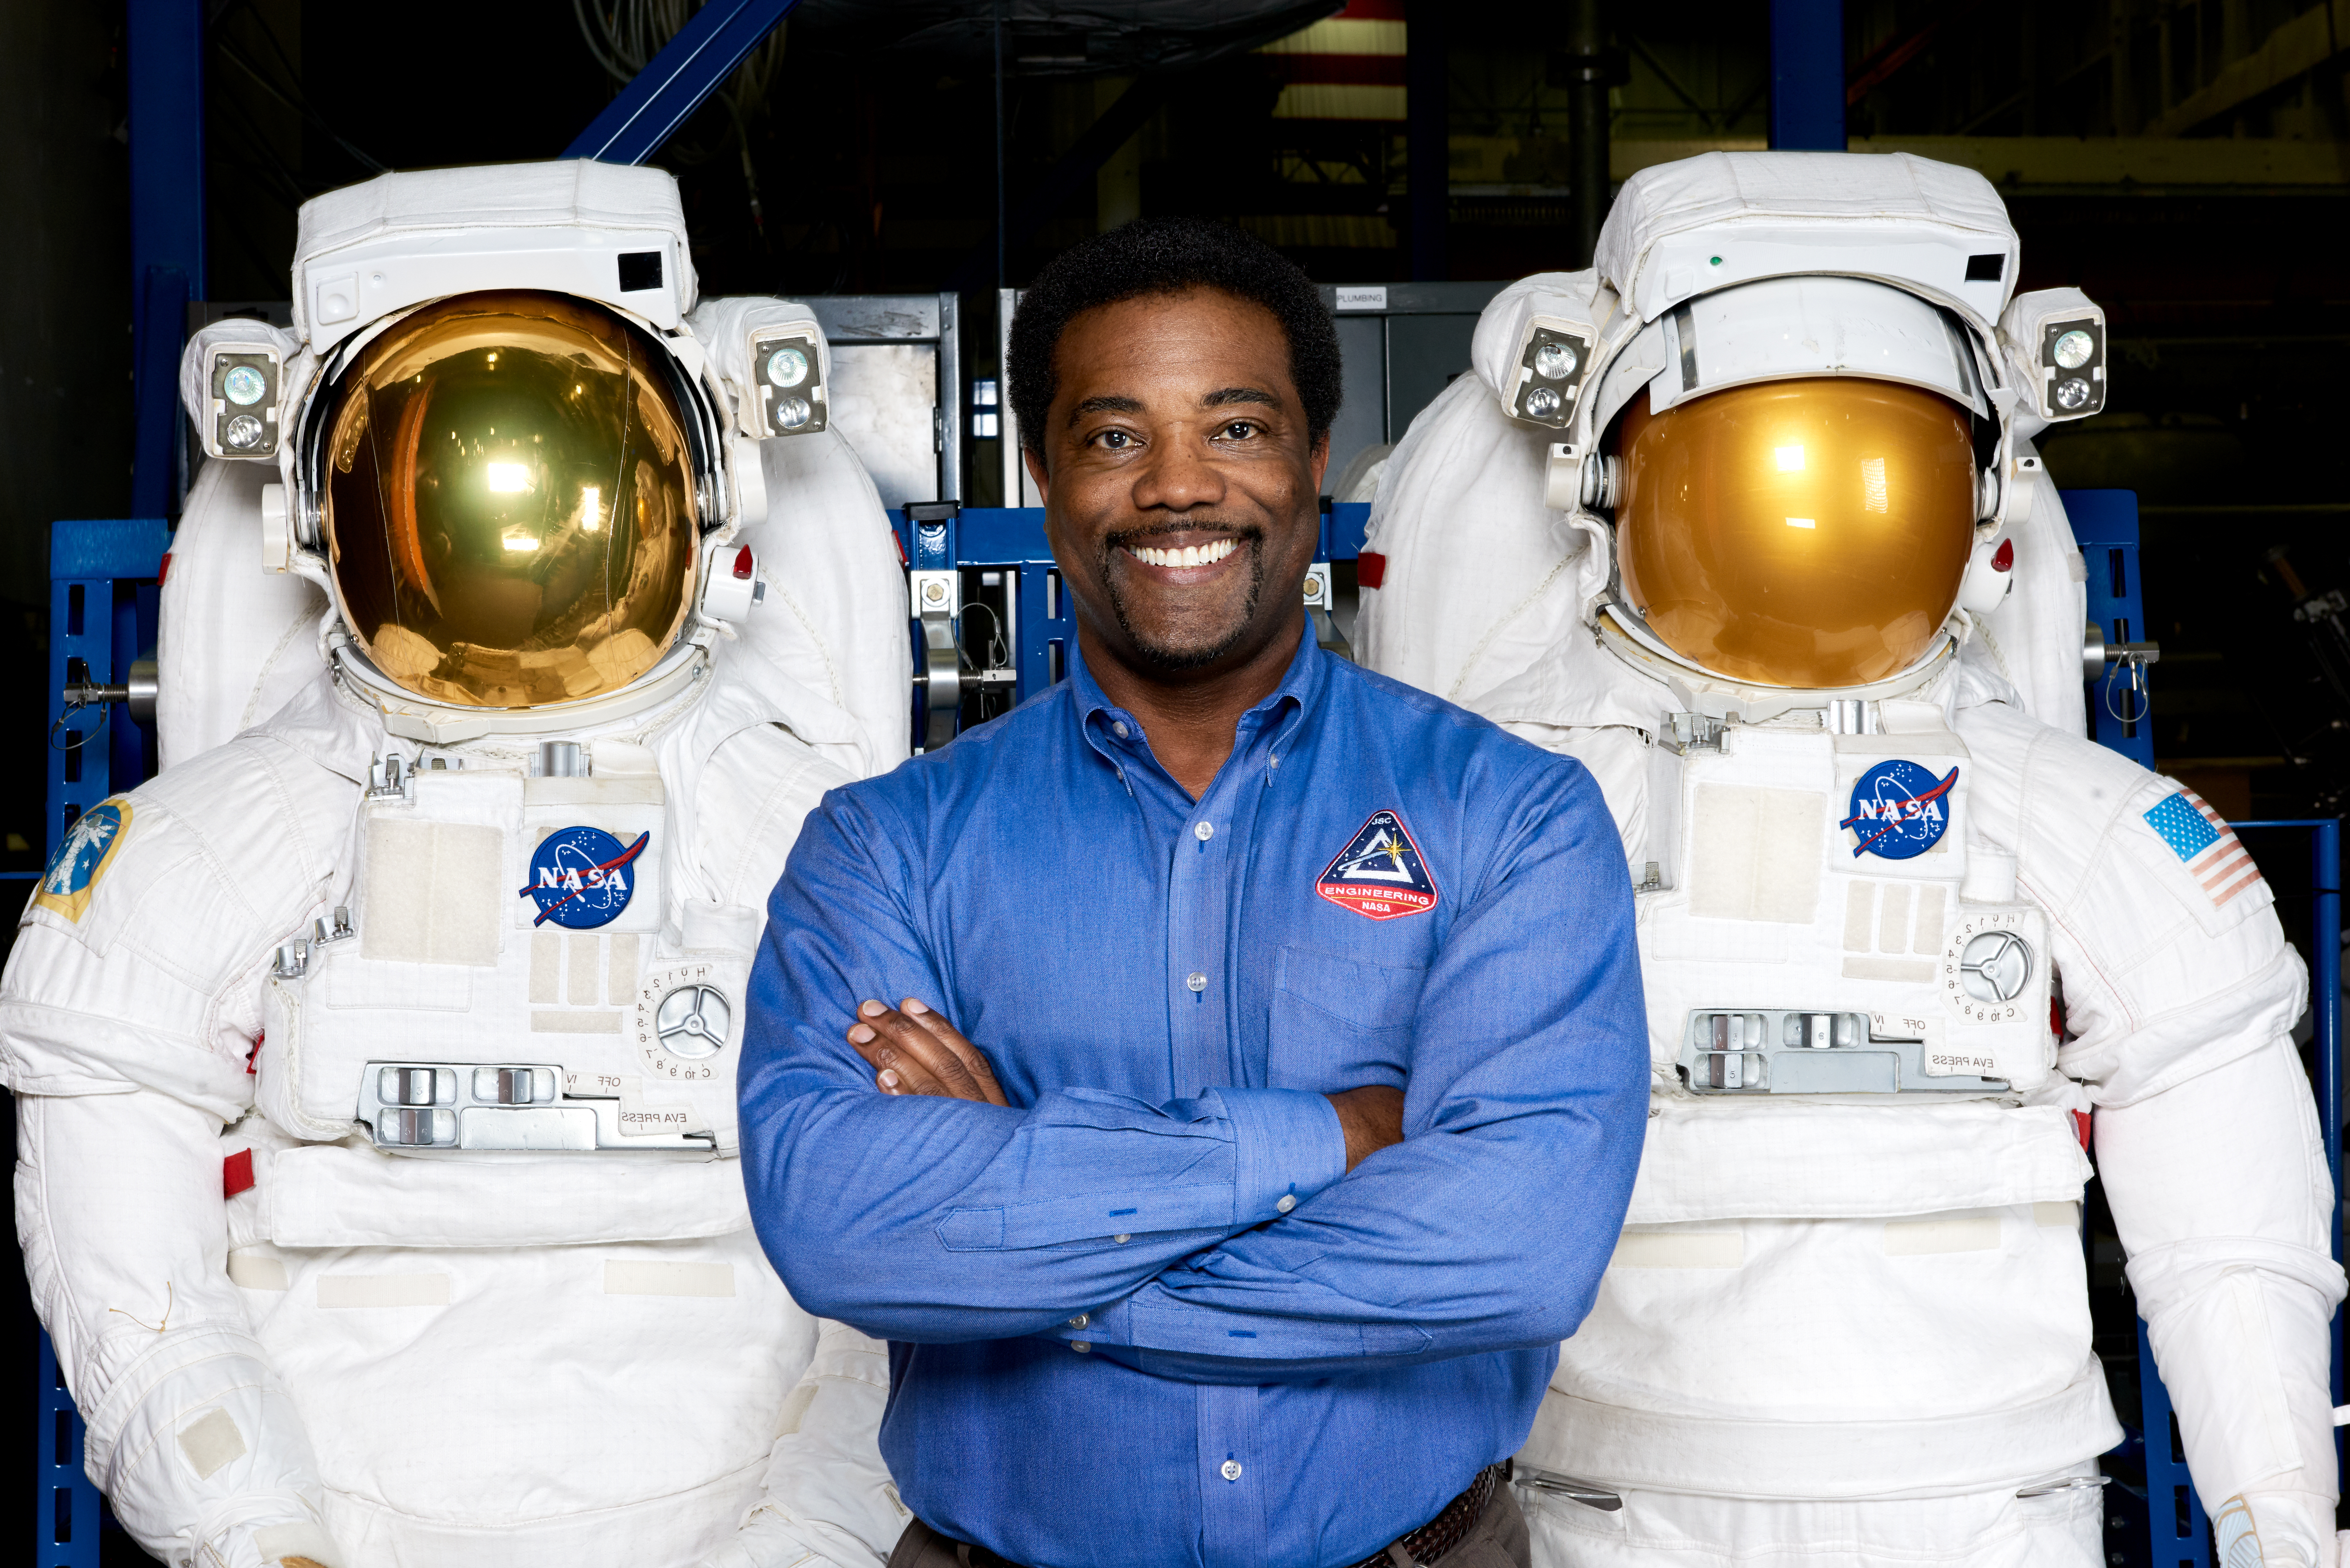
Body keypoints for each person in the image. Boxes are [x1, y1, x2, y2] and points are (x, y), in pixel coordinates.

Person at [1357, 150, 2347, 1567]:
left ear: (1981, 498)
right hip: (1619, 1493)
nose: (1816, 514)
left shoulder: (2061, 811)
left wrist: (2277, 1511)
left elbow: (2226, 1200)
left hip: (1973, 1497)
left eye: (1875, 457)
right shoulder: (1510, 799)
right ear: (1600, 483)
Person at [5, 160, 915, 1568]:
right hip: (336, 1511)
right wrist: (255, 1533)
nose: (515, 536)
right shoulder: (200, 856)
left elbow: (919, 1255)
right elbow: (134, 1281)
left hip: (741, 1496)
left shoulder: (832, 847)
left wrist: (805, 1539)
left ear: (700, 486)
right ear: (319, 511)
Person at [737, 217, 1652, 1568]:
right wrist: (1335, 1138)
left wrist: (1027, 1231)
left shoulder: (1508, 816)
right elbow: (842, 1226)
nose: (1177, 486)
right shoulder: (884, 846)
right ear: (1044, 472)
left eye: (1234, 428)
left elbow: (1513, 1253)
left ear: (1313, 462)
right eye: (1114, 437)